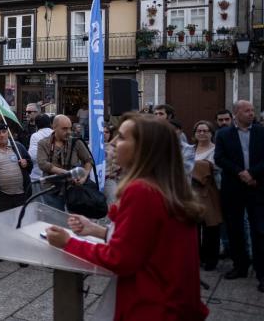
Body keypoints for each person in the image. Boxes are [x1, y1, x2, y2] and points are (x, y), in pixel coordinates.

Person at [45, 114, 208, 320]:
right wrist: (96, 230)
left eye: (121, 137)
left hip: (152, 306)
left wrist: (68, 243)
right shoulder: (166, 186)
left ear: (143, 149)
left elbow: (120, 259)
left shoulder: (142, 191)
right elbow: (144, 242)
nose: (113, 143)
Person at [214, 100, 264, 292]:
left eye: (252, 110)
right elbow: (220, 158)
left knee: (259, 231)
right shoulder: (224, 134)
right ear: (236, 114)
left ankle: (261, 273)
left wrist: (252, 173)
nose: (251, 113)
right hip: (233, 188)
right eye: (247, 110)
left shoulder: (261, 131)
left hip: (257, 187)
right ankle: (240, 266)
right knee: (235, 229)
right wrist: (240, 173)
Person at [36, 115, 93, 210]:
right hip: (52, 190)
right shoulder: (43, 143)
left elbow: (88, 160)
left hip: (73, 189)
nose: (68, 132)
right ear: (54, 127)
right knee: (56, 219)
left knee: (74, 221)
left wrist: (84, 176)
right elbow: (43, 164)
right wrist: (68, 174)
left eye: (70, 128)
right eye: (64, 129)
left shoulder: (76, 142)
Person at [191, 120, 222, 271]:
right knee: (194, 227)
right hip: (191, 192)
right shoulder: (190, 150)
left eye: (205, 131)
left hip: (210, 192)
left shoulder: (216, 150)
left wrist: (200, 166)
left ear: (211, 133)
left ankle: (211, 259)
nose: (202, 133)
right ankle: (196, 257)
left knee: (211, 226)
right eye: (199, 131)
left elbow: (215, 169)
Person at [0, 123, 31, 215]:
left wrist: (26, 163)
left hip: (21, 195)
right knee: (4, 224)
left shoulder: (18, 147)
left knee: (21, 223)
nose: (2, 135)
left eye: (4, 132)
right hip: (1, 198)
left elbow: (30, 165)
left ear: (8, 132)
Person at [28, 114, 52, 182]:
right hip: (55, 175)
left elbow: (32, 156)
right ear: (50, 123)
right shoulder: (55, 134)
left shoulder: (35, 136)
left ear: (36, 125)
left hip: (37, 176)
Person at [102, 124, 121, 204]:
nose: (104, 134)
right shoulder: (91, 146)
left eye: (107, 132)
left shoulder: (115, 148)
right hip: (97, 179)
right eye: (102, 132)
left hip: (112, 179)